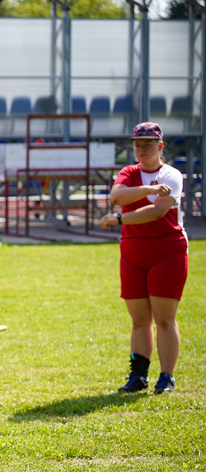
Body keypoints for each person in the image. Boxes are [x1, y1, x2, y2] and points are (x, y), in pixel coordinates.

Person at [99, 121, 187, 394]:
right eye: (137, 145)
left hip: (167, 251)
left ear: (160, 146)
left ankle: (166, 376)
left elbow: (157, 212)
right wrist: (149, 190)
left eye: (148, 144)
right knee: (139, 320)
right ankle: (138, 376)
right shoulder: (129, 172)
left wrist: (119, 219)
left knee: (164, 318)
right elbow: (117, 196)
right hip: (133, 252)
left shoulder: (171, 175)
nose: (141, 150)